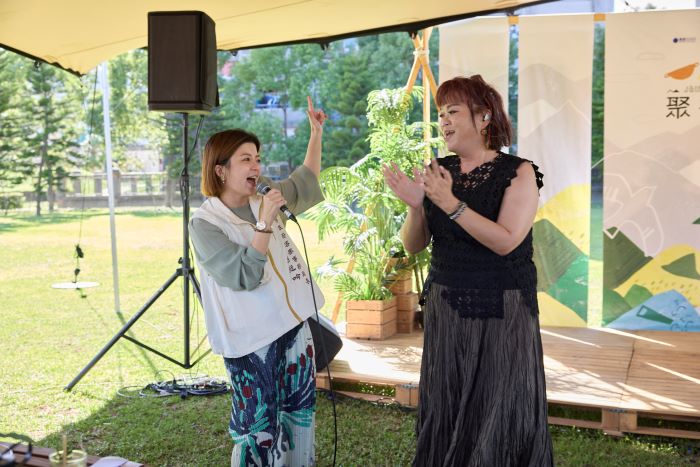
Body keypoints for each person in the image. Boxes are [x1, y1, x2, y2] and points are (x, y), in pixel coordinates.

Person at [383, 75, 554, 466]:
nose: (443, 121)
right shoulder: (439, 170)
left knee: (498, 404)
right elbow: (414, 245)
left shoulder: (519, 172)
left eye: (453, 111)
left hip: (503, 306)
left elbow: (507, 240)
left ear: (484, 117)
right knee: (446, 401)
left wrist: (450, 204)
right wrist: (415, 207)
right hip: (446, 302)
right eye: (441, 113)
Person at [189, 97, 327, 466]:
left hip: (292, 327)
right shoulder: (205, 223)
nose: (257, 166)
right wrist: (264, 223)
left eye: (258, 158)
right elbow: (245, 275)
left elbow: (304, 182)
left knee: (299, 416)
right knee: (258, 429)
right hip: (251, 341)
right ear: (220, 170)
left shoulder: (262, 193)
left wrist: (316, 134)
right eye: (246, 159)